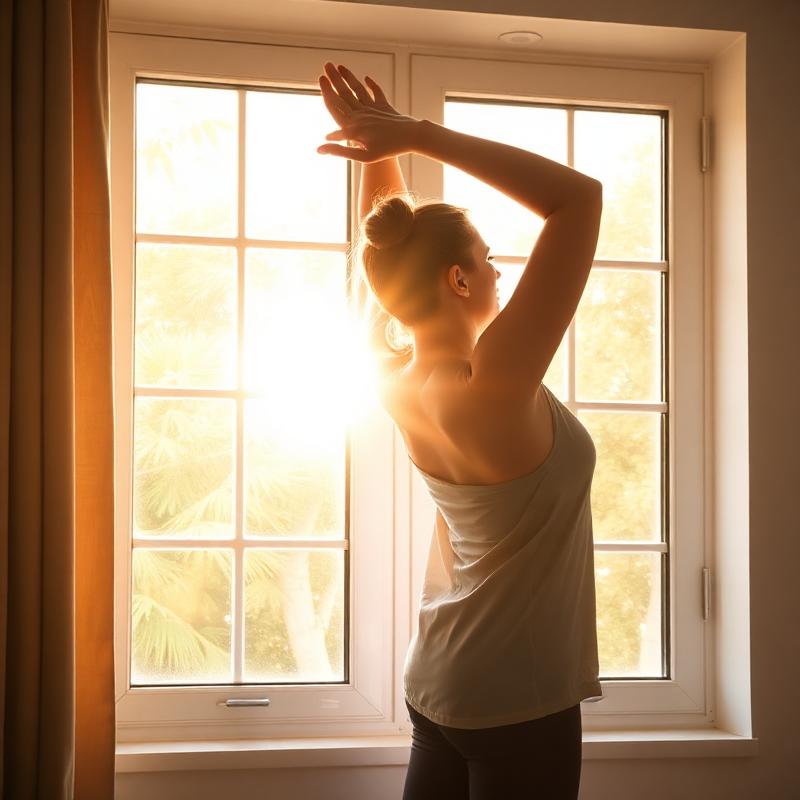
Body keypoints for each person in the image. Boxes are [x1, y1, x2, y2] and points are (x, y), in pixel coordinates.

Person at [317, 61, 605, 800]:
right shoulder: (497, 383)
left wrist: (377, 151)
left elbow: (386, 256)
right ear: (458, 281)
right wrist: (414, 134)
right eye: (487, 259)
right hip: (520, 697)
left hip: (439, 685)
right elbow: (578, 199)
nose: (500, 272)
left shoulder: (392, 375)